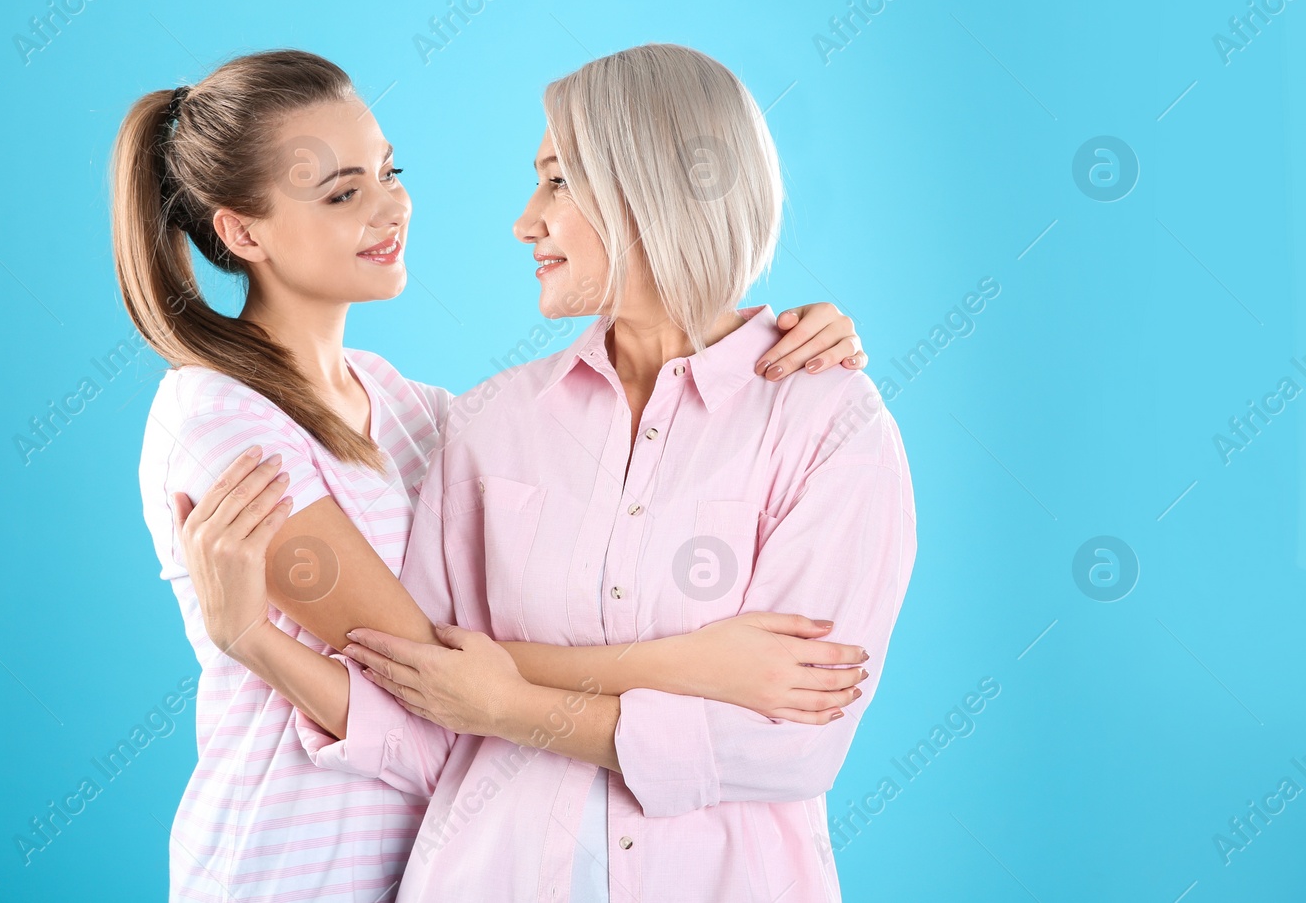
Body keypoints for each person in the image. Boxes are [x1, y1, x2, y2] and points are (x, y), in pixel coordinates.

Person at [113, 48, 870, 902]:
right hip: (284, 865)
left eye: (387, 171)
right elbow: (430, 671)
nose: (387, 207)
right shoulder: (218, 419)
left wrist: (777, 335)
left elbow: (481, 668)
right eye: (340, 192)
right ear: (243, 233)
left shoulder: (421, 415)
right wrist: (697, 662)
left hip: (417, 860)